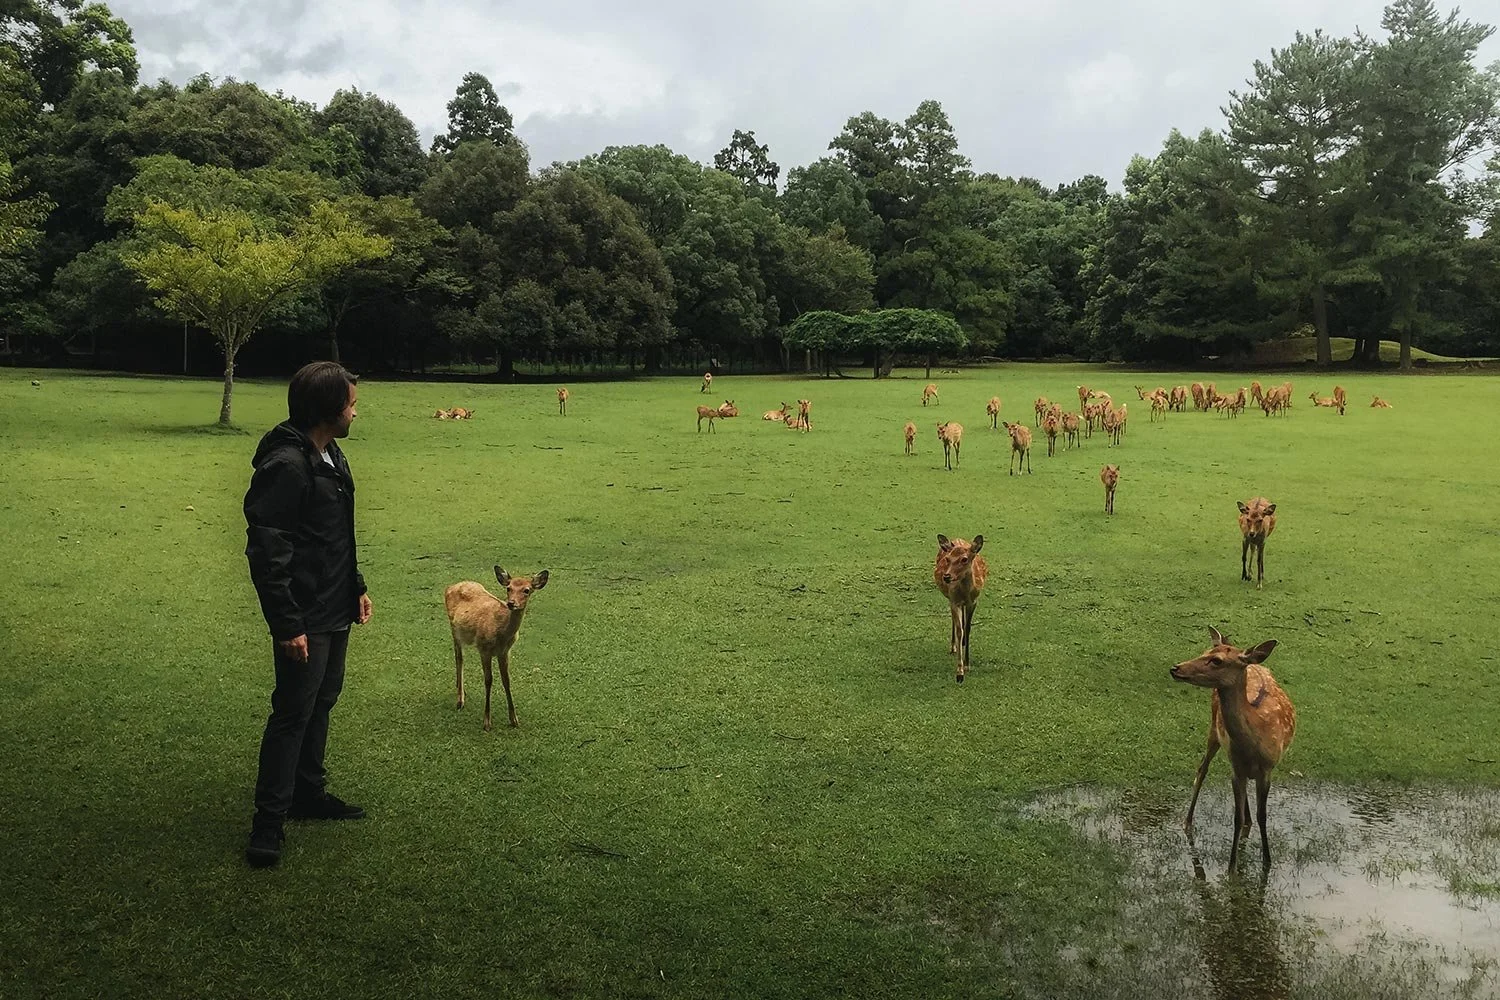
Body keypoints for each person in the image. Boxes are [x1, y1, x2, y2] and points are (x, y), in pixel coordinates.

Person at [243, 361, 373, 868]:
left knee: (322, 699)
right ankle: (267, 825)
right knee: (293, 711)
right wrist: (287, 624)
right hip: (305, 613)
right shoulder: (288, 465)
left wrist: (355, 587)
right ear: (327, 410)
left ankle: (308, 794)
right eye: (351, 404)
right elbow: (267, 551)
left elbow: (335, 533)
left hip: (334, 604)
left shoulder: (330, 454)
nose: (355, 413)